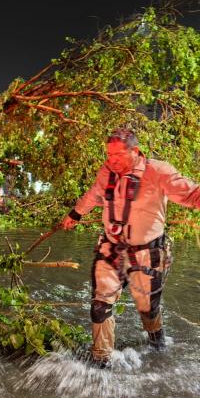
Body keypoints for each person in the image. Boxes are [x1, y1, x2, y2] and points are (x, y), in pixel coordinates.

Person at [61, 128, 200, 368]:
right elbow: (94, 194)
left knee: (147, 308)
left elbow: (189, 193)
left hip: (148, 253)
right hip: (112, 250)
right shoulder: (107, 172)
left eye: (117, 155)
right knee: (99, 304)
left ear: (135, 151)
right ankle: (101, 362)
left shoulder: (158, 171)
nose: (111, 160)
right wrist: (75, 214)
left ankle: (157, 343)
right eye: (108, 154)